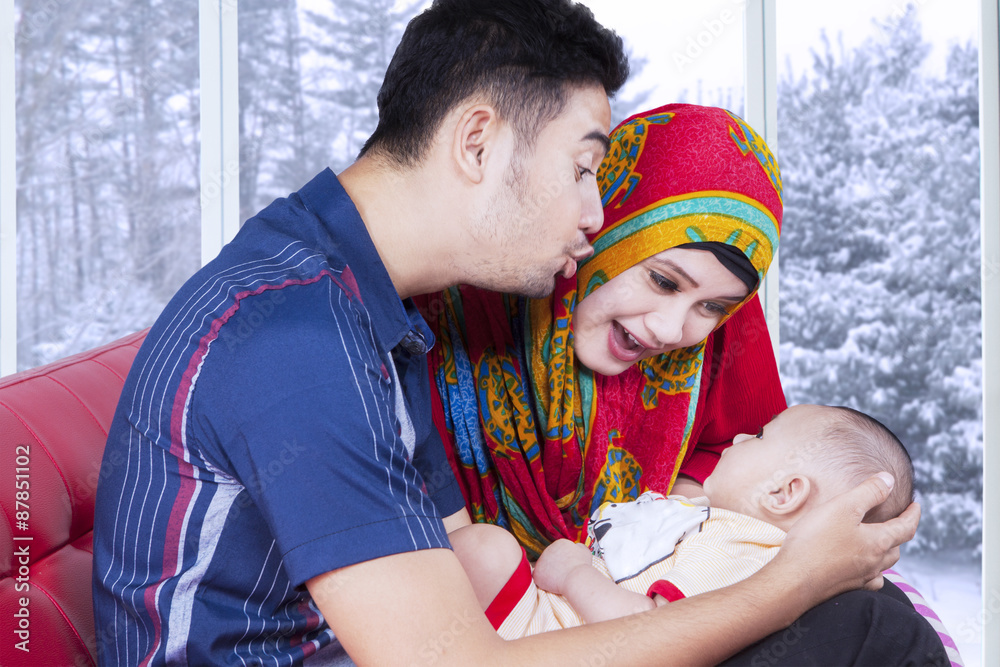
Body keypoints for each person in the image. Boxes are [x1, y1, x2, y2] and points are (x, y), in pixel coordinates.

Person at [92, 2, 917, 666]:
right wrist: (793, 579)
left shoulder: (372, 303)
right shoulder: (299, 336)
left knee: (851, 619)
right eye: (585, 169)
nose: (598, 216)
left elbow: (461, 559)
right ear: (479, 141)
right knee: (864, 626)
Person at [421, 102, 946, 664]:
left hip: (678, 601)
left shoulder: (717, 343)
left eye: (714, 306)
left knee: (879, 613)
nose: (672, 330)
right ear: (604, 226)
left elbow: (777, 473)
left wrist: (691, 517)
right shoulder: (455, 321)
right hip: (507, 619)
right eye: (662, 279)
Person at [451, 404, 917, 638]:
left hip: (558, 636)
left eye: (757, 436)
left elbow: (648, 632)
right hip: (557, 617)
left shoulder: (737, 546)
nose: (736, 436)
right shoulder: (716, 520)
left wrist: (572, 575)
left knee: (483, 549)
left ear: (783, 492)